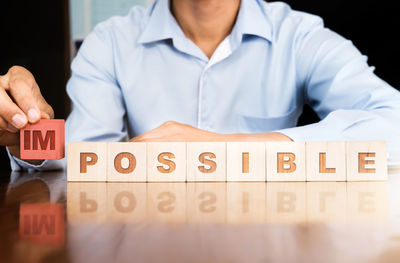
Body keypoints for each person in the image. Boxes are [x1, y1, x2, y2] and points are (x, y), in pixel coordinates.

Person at [1, 0, 400, 171]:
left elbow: (393, 125)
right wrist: (24, 135)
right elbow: (88, 154)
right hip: (148, 240)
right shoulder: (110, 42)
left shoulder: (301, 36)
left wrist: (227, 147)